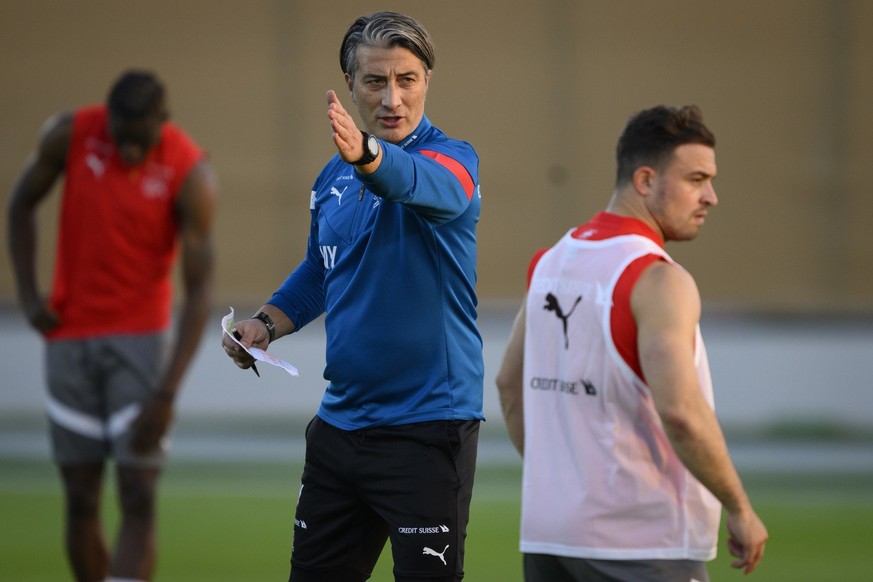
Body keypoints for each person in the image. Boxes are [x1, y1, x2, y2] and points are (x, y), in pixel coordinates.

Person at [221, 11, 483, 582]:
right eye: (375, 81)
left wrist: (367, 156)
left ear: (426, 82)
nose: (393, 97)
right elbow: (321, 269)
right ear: (349, 85)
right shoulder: (331, 179)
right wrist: (266, 323)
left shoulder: (453, 160)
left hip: (426, 430)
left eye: (407, 79)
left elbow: (428, 187)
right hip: (339, 429)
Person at [495, 105, 768, 581]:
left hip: (550, 541)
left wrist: (565, 483)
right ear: (645, 180)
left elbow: (508, 385)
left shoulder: (551, 262)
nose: (711, 197)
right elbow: (681, 413)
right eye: (697, 179)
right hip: (641, 545)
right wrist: (739, 506)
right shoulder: (659, 280)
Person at [7, 70, 217, 582]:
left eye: (139, 141)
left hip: (140, 347)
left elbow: (201, 292)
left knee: (138, 494)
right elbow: (20, 205)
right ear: (107, 118)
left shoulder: (190, 172)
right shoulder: (70, 134)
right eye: (118, 136)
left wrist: (167, 392)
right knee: (80, 496)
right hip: (69, 343)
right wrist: (30, 296)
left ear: (161, 124)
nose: (126, 149)